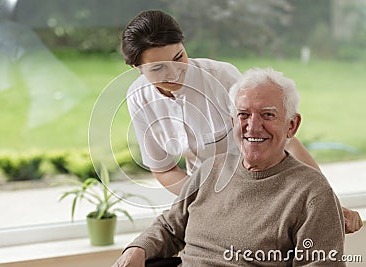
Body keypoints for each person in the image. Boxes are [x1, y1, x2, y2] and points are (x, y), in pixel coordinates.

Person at [122, 10, 362, 233]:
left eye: (178, 57)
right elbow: (163, 169)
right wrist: (207, 199)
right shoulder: (138, 98)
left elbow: (285, 142)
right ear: (137, 68)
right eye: (159, 68)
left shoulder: (221, 78)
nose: (173, 74)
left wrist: (330, 204)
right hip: (205, 196)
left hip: (264, 185)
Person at [113, 67, 346, 266]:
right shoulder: (210, 169)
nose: (253, 127)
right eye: (244, 114)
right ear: (233, 122)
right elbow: (169, 227)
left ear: (292, 125)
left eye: (267, 114)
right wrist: (138, 248)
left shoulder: (312, 193)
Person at [0, 0, 89, 128]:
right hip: (74, 90)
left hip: (51, 104)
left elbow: (10, 92)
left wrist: (19, 127)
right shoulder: (15, 27)